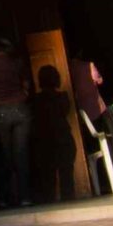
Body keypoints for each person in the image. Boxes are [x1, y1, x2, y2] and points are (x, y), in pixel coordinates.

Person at [0, 37, 32, 207]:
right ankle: (25, 197)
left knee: (4, 155)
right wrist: (23, 94)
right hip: (20, 108)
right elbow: (26, 84)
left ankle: (4, 198)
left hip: (0, 111)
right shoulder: (15, 62)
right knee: (22, 154)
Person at [30, 64, 78, 206]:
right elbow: (65, 112)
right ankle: (69, 203)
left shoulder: (35, 100)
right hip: (63, 138)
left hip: (45, 141)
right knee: (67, 175)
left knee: (48, 178)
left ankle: (49, 204)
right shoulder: (63, 97)